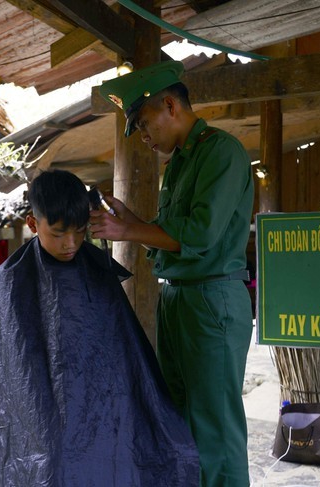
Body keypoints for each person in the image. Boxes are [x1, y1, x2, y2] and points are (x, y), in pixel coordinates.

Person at [0, 169, 199, 486]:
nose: (71, 244)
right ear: (33, 224)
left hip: (105, 404)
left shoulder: (97, 269)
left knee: (145, 449)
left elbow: (125, 354)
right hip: (37, 412)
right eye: (58, 234)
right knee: (53, 459)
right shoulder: (10, 279)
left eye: (80, 232)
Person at [91, 60, 255, 486]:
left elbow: (200, 233)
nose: (143, 137)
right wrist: (135, 222)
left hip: (212, 300)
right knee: (179, 418)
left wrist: (128, 229)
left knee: (215, 427)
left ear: (170, 105)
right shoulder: (180, 162)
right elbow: (172, 235)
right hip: (180, 297)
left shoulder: (221, 150)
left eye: (144, 123)